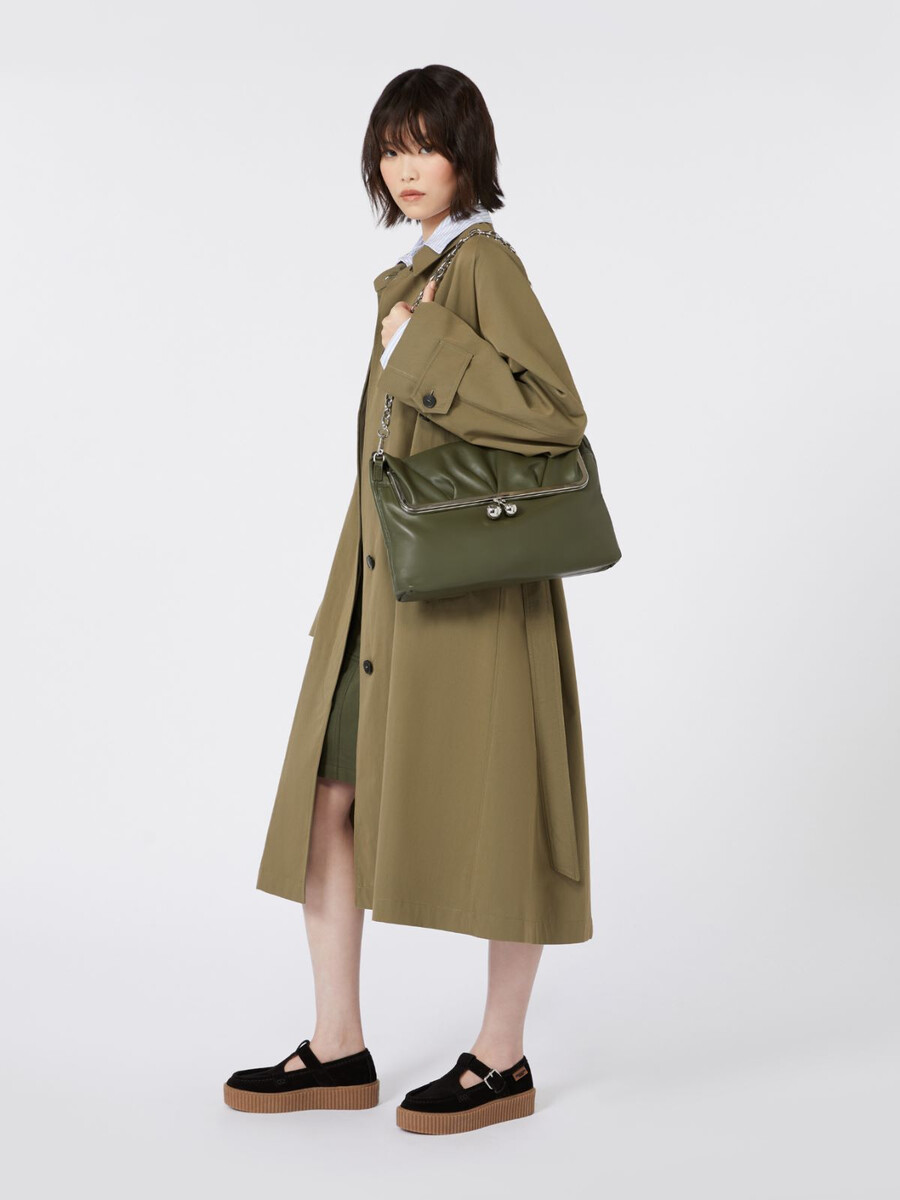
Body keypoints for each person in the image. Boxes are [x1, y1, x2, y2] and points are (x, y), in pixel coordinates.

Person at [224, 64, 594, 1135]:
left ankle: (502, 1059)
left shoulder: (485, 266)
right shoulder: (416, 274)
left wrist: (421, 344)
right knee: (327, 799)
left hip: (472, 597)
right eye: (391, 147)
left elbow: (556, 416)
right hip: (383, 594)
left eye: (425, 144)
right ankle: (338, 1044)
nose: (405, 166)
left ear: (467, 153)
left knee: (509, 807)